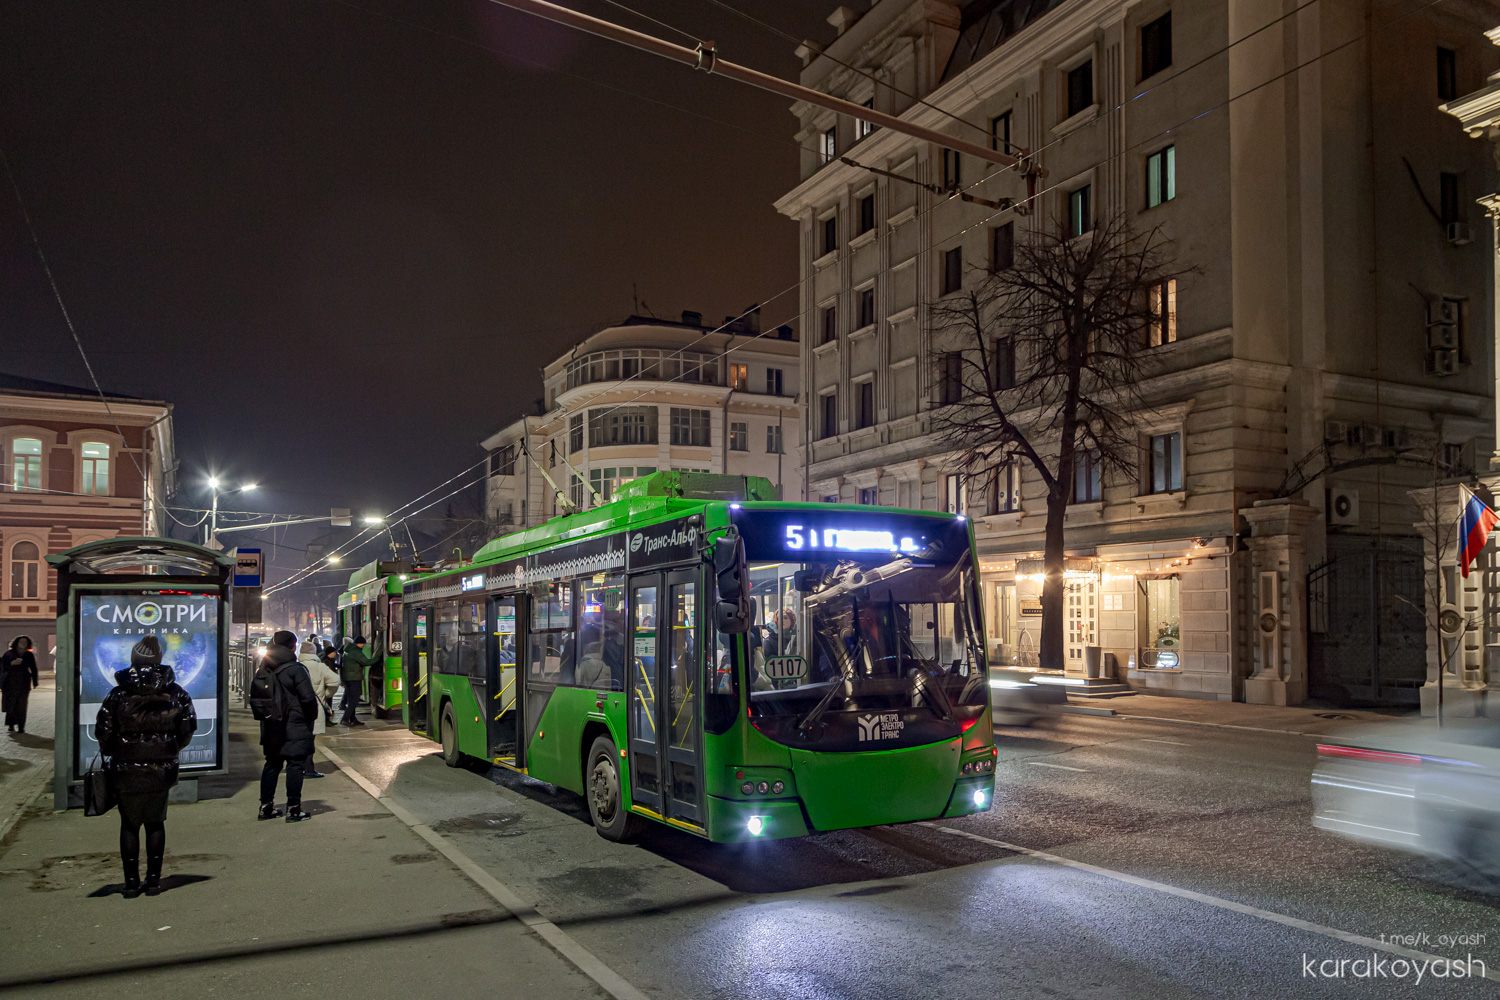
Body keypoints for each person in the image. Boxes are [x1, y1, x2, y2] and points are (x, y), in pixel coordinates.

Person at [94, 637, 197, 897]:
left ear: (133, 659)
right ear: (159, 660)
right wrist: (167, 750)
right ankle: (153, 882)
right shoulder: (177, 693)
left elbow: (103, 732)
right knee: (155, 823)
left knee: (129, 825)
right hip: (161, 771)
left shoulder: (117, 694)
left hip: (125, 770)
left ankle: (130, 884)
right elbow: (186, 730)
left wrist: (116, 751)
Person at [257, 630, 318, 822]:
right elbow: (308, 699)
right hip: (295, 725)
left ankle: (265, 807)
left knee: (272, 765)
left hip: (271, 725)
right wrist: (309, 719)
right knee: (294, 766)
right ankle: (293, 809)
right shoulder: (296, 669)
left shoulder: (264, 668)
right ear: (292, 646)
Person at [299, 636, 340, 778]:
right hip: (314, 707)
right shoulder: (320, 666)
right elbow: (335, 680)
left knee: (300, 739)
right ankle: (308, 769)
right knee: (310, 740)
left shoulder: (297, 665)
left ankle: (299, 766)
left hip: (297, 709)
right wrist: (326, 695)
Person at [338, 634, 380, 726]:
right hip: (354, 679)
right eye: (363, 644)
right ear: (360, 644)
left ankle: (353, 719)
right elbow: (366, 662)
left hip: (348, 679)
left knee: (350, 699)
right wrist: (378, 658)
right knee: (354, 700)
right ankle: (345, 719)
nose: (364, 646)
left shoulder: (348, 650)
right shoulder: (355, 652)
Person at [1, 636, 39, 734]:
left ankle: (21, 726)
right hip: (10, 683)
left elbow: (33, 668)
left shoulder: (29, 655)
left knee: (22, 705)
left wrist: (35, 681)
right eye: (21, 641)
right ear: (16, 643)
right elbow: (2, 667)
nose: (23, 643)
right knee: (11, 705)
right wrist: (11, 663)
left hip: (24, 683)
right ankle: (11, 725)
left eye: (25, 642)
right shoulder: (8, 654)